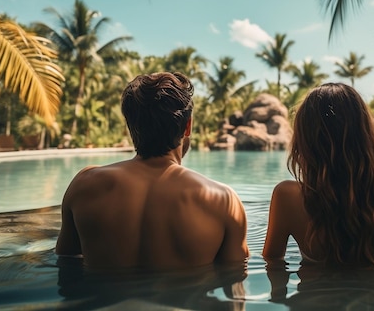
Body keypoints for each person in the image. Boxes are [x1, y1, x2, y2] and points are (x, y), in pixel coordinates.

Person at [56, 72, 250, 269]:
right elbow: (234, 285)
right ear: (187, 126)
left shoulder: (84, 185)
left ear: (130, 125)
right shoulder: (223, 200)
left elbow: (66, 262)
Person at [263, 83, 374, 267]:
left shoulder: (287, 196)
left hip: (316, 294)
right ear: (365, 138)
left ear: (304, 141)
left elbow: (273, 262)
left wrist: (278, 294)